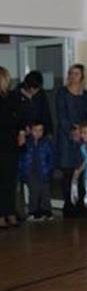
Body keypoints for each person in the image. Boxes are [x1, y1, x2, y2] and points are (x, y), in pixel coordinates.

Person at [56, 64, 87, 217]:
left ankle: (81, 204)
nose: (73, 76)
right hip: (66, 138)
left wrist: (82, 132)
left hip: (83, 137)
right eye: (71, 73)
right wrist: (72, 130)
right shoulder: (62, 93)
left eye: (76, 73)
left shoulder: (86, 95)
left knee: (82, 172)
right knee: (68, 173)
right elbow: (61, 116)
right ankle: (69, 206)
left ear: (82, 76)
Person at [0, 66, 26, 228]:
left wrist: (22, 132)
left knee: (10, 180)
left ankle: (10, 212)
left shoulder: (13, 96)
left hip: (10, 142)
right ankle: (1, 214)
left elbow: (20, 116)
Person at [18, 120, 55, 221]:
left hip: (44, 171)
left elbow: (51, 157)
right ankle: (33, 211)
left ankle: (46, 211)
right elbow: (22, 158)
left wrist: (50, 169)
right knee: (34, 192)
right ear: (30, 130)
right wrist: (22, 171)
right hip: (30, 172)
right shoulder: (27, 143)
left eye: (40, 130)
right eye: (35, 130)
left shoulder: (46, 143)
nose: (38, 133)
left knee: (45, 192)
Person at [14, 71, 53, 136]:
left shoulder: (41, 94)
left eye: (36, 89)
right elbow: (16, 116)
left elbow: (46, 114)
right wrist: (23, 128)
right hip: (23, 133)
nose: (33, 91)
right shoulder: (16, 94)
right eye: (32, 88)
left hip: (40, 132)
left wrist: (49, 132)